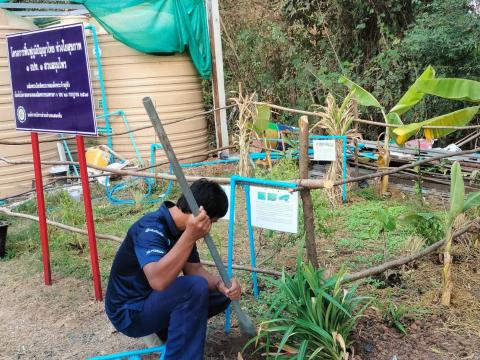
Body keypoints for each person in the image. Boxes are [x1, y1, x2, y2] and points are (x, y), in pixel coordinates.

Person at [105, 178, 242, 359]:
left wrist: (220, 284)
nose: (210, 229)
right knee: (194, 288)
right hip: (129, 311)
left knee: (219, 294)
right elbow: (158, 281)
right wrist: (190, 235)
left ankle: (168, 332)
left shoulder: (181, 230)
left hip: (152, 302)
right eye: (213, 222)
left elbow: (194, 270)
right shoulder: (150, 228)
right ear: (201, 214)